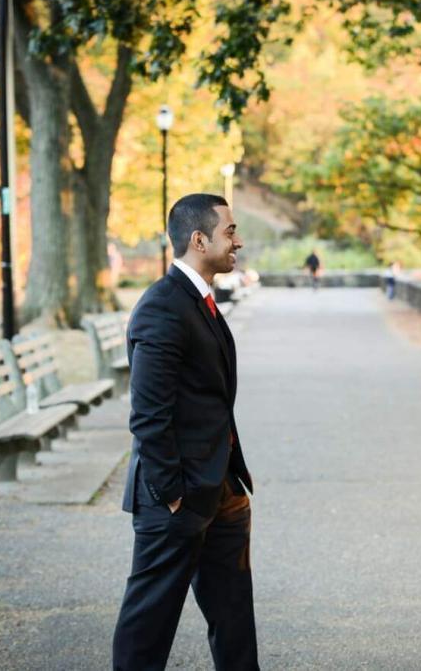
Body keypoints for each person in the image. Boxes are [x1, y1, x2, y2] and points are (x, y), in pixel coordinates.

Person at [112, 193, 257, 671]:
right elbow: (148, 416)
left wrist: (227, 484)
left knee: (233, 617)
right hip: (177, 498)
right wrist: (174, 493)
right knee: (148, 627)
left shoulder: (199, 301)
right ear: (200, 239)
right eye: (230, 231)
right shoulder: (162, 308)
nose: (238, 240)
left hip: (221, 489)